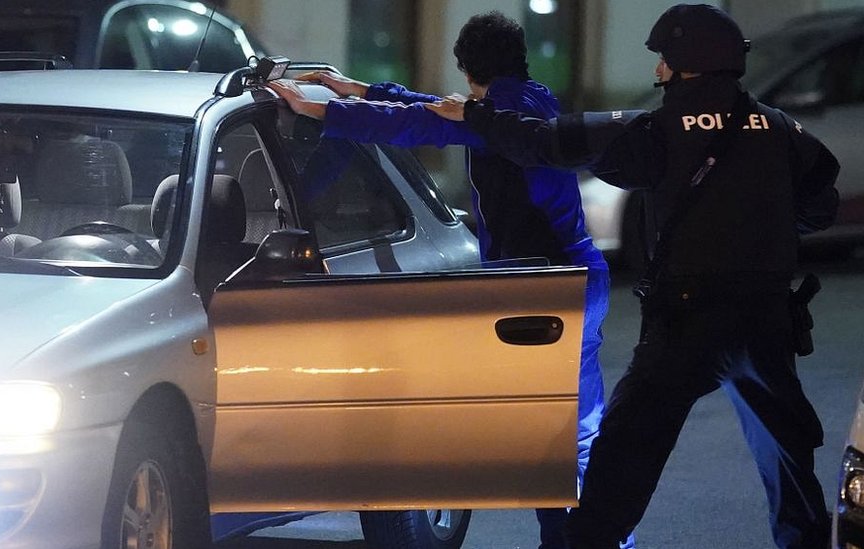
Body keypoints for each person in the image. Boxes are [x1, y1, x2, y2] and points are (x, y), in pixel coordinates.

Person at [428, 4, 839, 548]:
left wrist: (476, 115)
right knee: (789, 462)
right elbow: (821, 205)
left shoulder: (657, 130)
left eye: (664, 59)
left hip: (686, 322)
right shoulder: (781, 128)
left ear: (689, 63)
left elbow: (544, 143)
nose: (657, 69)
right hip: (766, 320)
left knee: (621, 463)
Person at [269, 11, 633, 549]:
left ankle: (578, 541)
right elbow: (438, 109)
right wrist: (363, 90)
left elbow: (419, 125)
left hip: (544, 286)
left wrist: (322, 110)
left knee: (552, 434)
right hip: (578, 275)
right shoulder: (531, 101)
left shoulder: (491, 118)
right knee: (576, 429)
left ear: (467, 69)